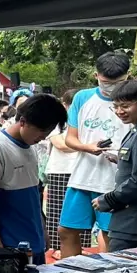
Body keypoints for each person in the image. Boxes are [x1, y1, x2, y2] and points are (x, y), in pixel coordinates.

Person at [0, 94, 68, 264]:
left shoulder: (30, 146)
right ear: (23, 121)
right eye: (41, 131)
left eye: (48, 132)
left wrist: (42, 229)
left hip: (33, 238)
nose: (43, 137)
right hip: (10, 243)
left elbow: (33, 193)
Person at [61, 52, 133, 256]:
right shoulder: (82, 98)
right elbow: (70, 138)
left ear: (128, 76)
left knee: (111, 234)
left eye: (117, 82)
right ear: (96, 75)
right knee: (66, 230)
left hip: (116, 182)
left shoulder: (135, 102)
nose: (110, 87)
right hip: (83, 177)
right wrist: (88, 147)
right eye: (106, 81)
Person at [95, 79, 137, 251]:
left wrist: (108, 200)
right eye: (116, 106)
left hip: (133, 223)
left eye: (125, 106)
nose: (119, 112)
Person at [44, 89, 85, 257]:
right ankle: (58, 247)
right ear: (65, 105)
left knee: (80, 211)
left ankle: (81, 246)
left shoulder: (84, 121)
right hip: (59, 170)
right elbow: (60, 144)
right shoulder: (57, 122)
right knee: (57, 208)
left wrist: (77, 144)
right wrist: (85, 146)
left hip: (80, 170)